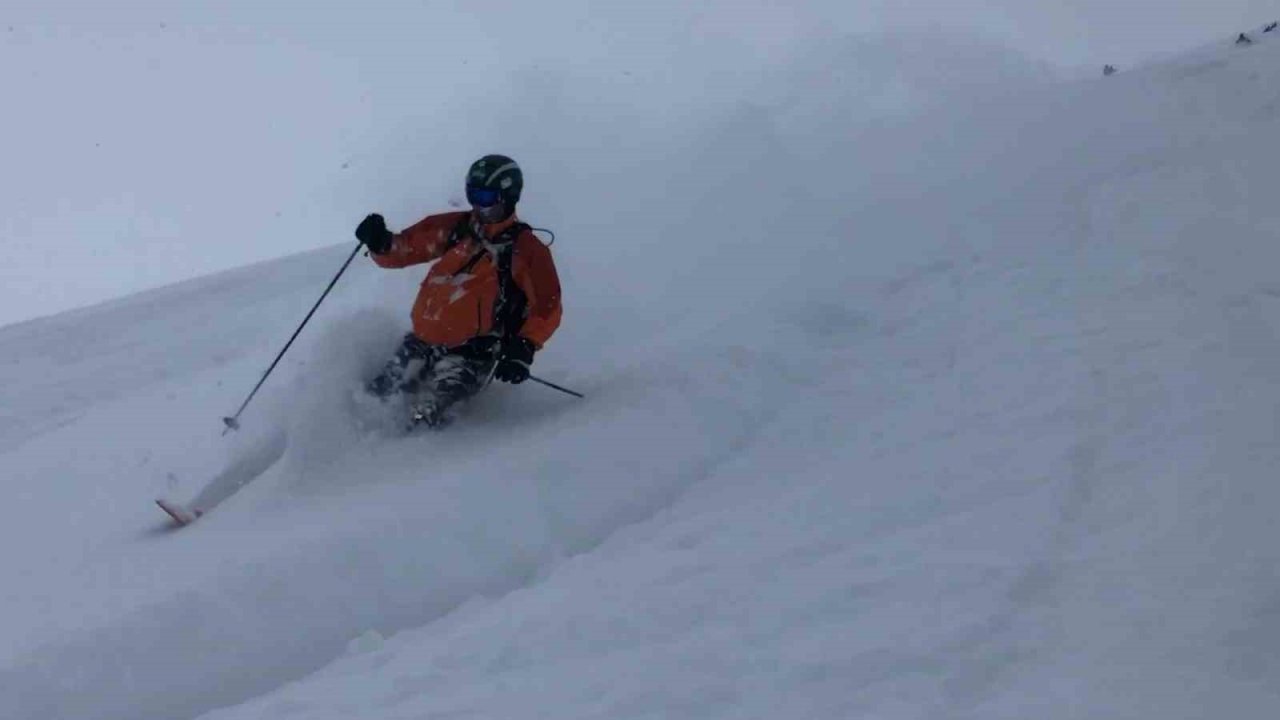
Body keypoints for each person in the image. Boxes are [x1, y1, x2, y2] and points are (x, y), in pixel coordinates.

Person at [354, 154, 562, 428]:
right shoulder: (457, 228)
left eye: (487, 197)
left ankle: (411, 467)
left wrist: (523, 348)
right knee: (374, 400)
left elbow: (547, 306)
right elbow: (408, 247)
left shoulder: (524, 249)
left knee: (425, 421)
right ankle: (348, 452)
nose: (478, 205)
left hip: (471, 354)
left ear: (508, 197)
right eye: (473, 195)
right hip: (422, 343)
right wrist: (381, 243)